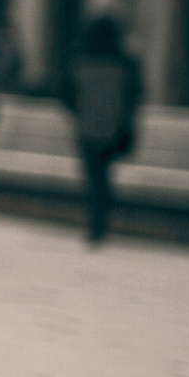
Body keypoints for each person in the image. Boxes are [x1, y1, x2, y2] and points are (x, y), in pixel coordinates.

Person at [59, 14, 144, 246]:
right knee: (103, 174)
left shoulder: (79, 60)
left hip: (87, 127)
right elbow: (135, 94)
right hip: (114, 128)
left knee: (94, 175)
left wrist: (80, 111)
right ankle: (101, 218)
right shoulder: (125, 62)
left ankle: (96, 222)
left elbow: (66, 93)